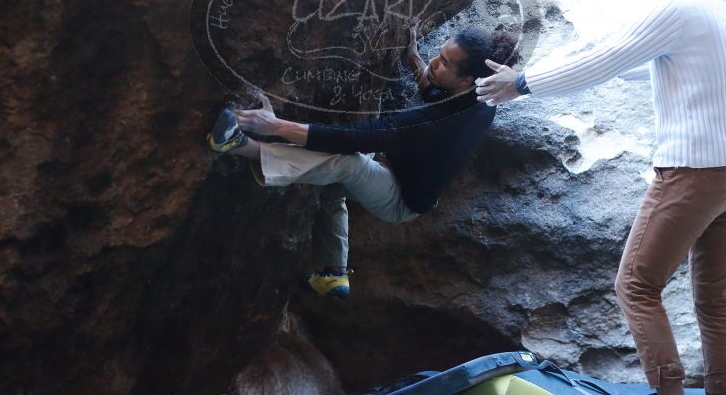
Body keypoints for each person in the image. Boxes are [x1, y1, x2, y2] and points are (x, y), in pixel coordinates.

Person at [475, 0, 726, 395]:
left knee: (635, 288)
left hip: (695, 173)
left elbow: (608, 57)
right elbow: (631, 65)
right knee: (714, 298)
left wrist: (521, 84)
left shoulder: (679, 3)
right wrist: (534, 81)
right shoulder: (720, 5)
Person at [208, 26, 521, 299]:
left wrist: (275, 126)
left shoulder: (444, 123)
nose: (434, 63)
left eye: (444, 63)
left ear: (466, 79)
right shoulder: (481, 95)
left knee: (351, 164)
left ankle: (239, 145)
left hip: (401, 199)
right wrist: (412, 56)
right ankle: (333, 273)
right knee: (335, 187)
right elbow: (435, 93)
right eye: (439, 54)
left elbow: (359, 137)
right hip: (396, 168)